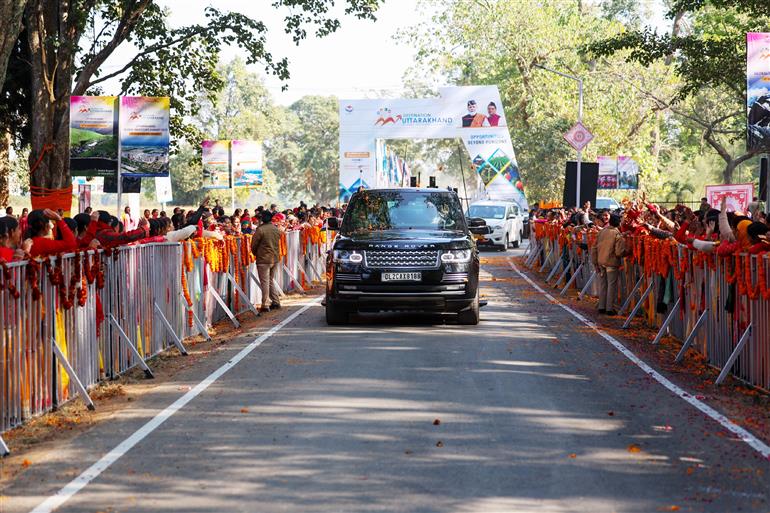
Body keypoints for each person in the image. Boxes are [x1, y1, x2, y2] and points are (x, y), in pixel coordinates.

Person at [590, 213, 625, 316]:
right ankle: (609, 308)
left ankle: (601, 306)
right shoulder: (617, 234)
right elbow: (619, 252)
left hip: (601, 261)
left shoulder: (602, 232)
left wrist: (595, 262)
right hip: (611, 263)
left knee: (603, 285)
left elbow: (594, 248)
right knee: (611, 285)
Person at [251, 210, 282, 313]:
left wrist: (256, 253)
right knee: (270, 280)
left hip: (263, 259)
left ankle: (265, 304)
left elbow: (254, 245)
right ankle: (276, 301)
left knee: (265, 282)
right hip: (275, 258)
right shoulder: (276, 229)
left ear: (262, 219)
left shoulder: (260, 230)